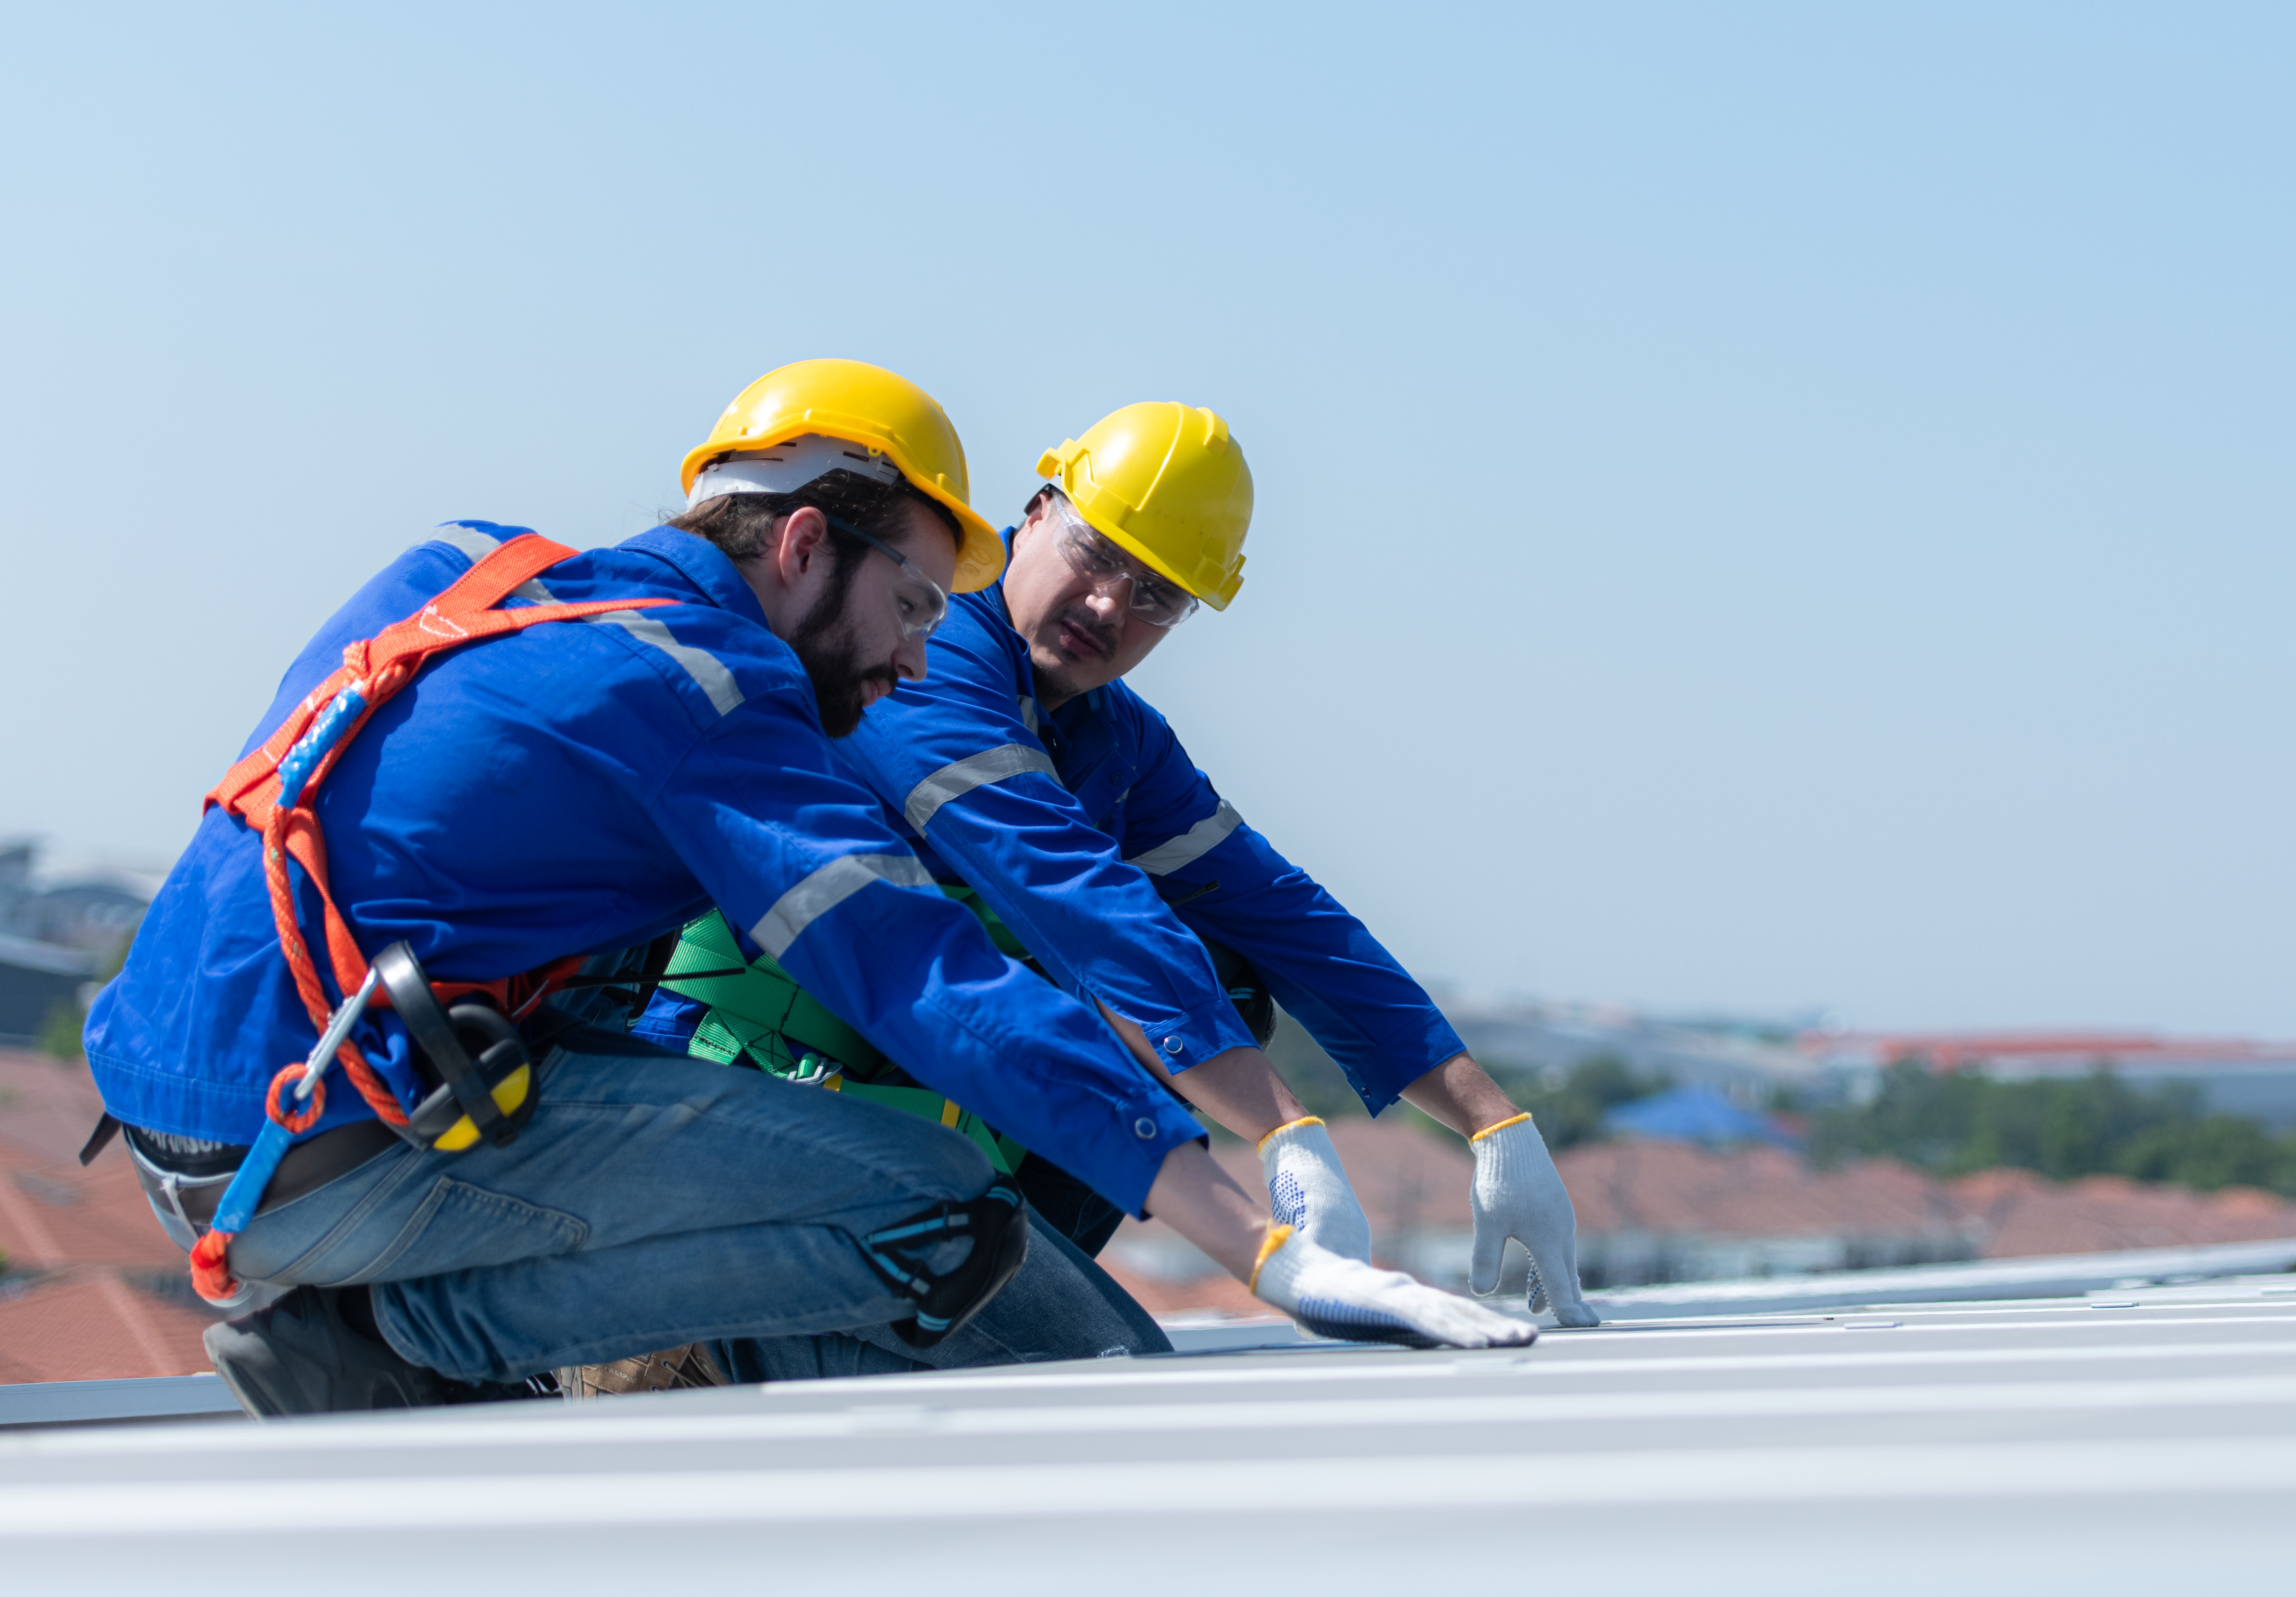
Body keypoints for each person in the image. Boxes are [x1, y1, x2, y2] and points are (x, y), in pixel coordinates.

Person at [82, 360, 1532, 1416]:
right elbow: (929, 974)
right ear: (798, 545)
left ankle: (371, 1284)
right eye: (910, 602)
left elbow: (1259, 907)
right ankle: (403, 1331)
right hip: (324, 1156)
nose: (913, 653)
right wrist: (1260, 1239)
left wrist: (1487, 1118)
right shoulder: (715, 695)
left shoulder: (474, 568)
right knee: (938, 1218)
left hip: (192, 1091)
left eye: (1159, 594)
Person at [637, 400, 1597, 1340]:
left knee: (1224, 986)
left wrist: (1493, 1124)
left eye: (1159, 595)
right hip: (736, 1087)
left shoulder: (1110, 738)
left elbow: (1282, 917)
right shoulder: (916, 657)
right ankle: (692, 1336)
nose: (1110, 607)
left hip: (886, 1112)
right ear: (1035, 514)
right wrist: (1285, 1131)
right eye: (1097, 555)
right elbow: (1073, 898)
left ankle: (963, 1269)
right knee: (1099, 1360)